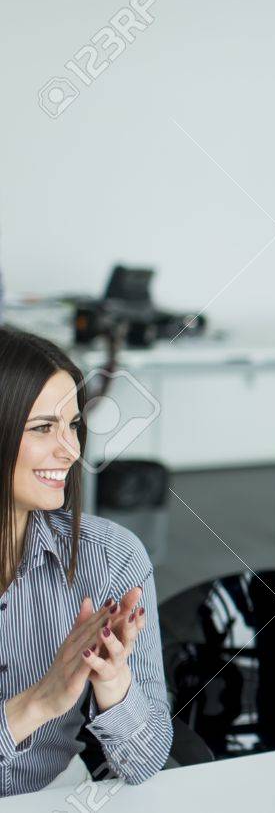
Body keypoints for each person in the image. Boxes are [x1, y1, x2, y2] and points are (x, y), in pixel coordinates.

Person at [0, 327, 171, 796]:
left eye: (73, 425)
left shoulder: (112, 557)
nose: (71, 450)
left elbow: (147, 761)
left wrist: (114, 686)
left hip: (60, 796)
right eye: (42, 428)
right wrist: (36, 705)